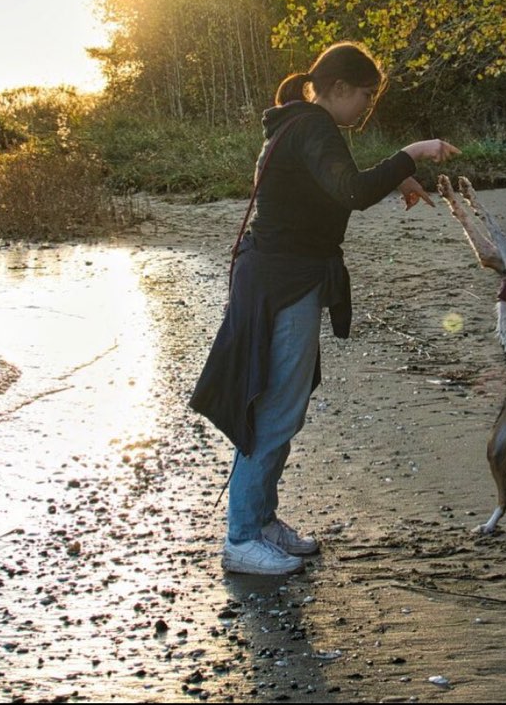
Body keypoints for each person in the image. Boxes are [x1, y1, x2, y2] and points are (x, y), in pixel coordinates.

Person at [190, 41, 459, 576]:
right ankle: (242, 537)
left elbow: (327, 193)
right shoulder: (313, 126)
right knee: (275, 408)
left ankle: (261, 522)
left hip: (277, 277)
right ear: (338, 88)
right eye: (364, 95)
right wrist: (414, 152)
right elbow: (352, 191)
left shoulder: (298, 123)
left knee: (279, 402)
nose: (366, 107)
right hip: (283, 280)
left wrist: (394, 177)